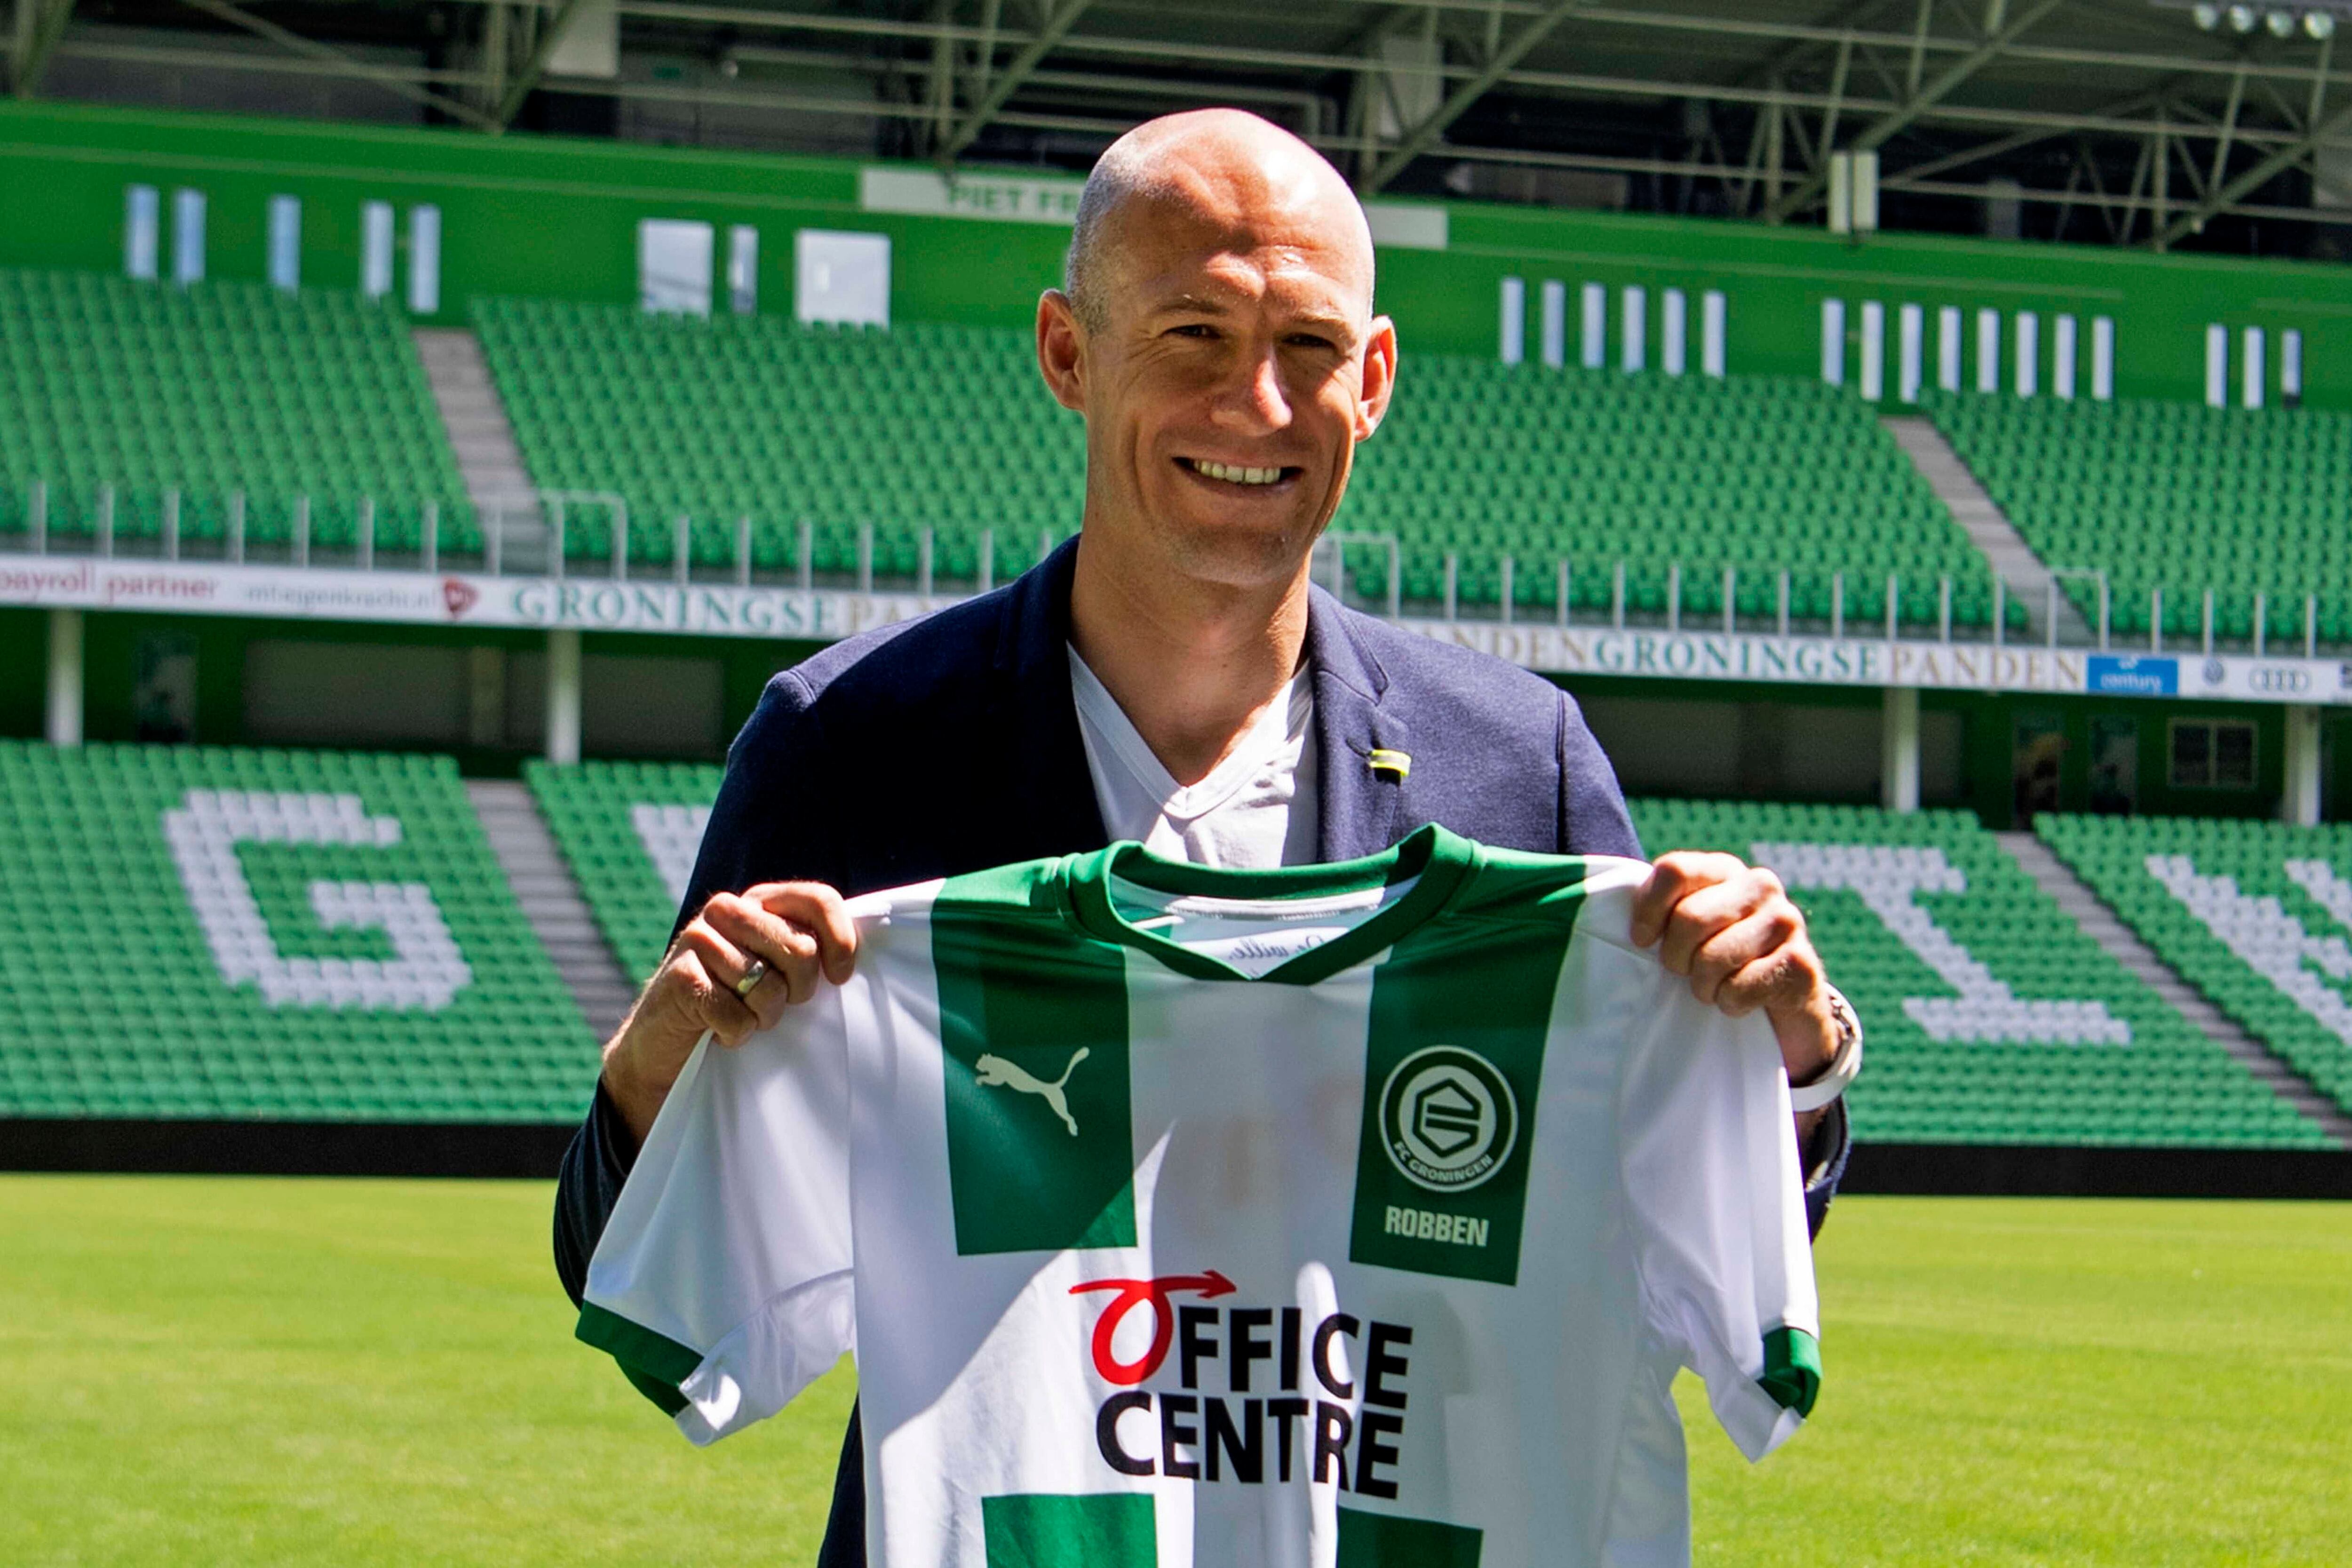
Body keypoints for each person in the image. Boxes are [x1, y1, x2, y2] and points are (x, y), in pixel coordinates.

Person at [555, 108, 1858, 1566]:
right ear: (1067, 352)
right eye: (1191, 335)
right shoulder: (851, 746)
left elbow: (1696, 1253)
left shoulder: (1522, 767)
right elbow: (646, 1283)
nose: (1256, 404)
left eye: (1307, 346)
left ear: (1372, 382)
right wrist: (652, 1077)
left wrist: (1788, 1076)